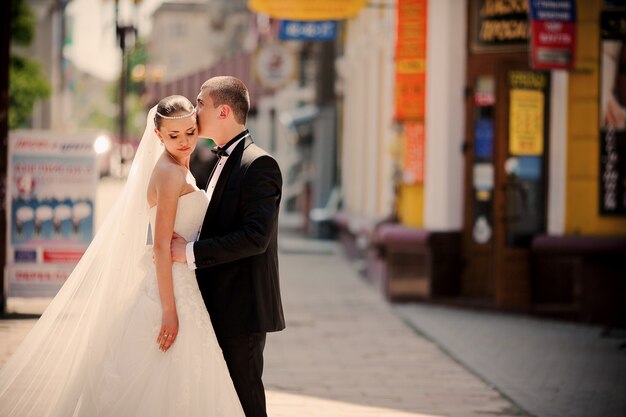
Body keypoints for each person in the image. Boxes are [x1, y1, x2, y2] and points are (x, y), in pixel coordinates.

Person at [0, 96, 246, 417]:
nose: (184, 142)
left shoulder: (179, 167)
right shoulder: (170, 174)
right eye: (174, 136)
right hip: (171, 288)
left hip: (185, 281)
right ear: (158, 135)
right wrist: (169, 311)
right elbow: (159, 246)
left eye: (189, 132)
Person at [171, 76, 285, 417]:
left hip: (241, 307)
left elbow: (255, 237)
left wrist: (188, 252)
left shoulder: (260, 164)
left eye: (201, 103)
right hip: (212, 302)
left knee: (244, 399)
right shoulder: (208, 160)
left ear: (223, 111)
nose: (194, 110)